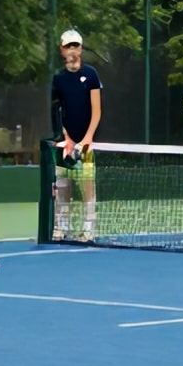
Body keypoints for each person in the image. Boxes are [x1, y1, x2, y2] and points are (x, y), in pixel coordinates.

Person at [50, 29, 102, 241]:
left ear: (80, 49)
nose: (72, 50)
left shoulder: (91, 74)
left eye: (76, 46)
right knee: (63, 187)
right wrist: (67, 139)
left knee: (87, 186)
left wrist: (87, 139)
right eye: (68, 46)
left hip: (86, 142)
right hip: (65, 143)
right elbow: (56, 110)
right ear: (62, 50)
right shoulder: (58, 78)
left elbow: (96, 111)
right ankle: (61, 227)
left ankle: (89, 229)